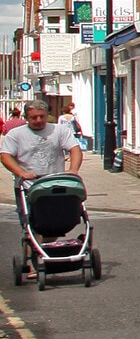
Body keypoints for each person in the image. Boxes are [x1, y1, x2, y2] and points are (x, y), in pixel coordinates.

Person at [3, 100, 83, 276]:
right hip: (29, 186)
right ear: (26, 117)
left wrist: (73, 170)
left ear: (47, 115)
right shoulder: (16, 135)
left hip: (56, 184)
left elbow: (75, 149)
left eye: (42, 116)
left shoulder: (60, 130)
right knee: (32, 224)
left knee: (53, 223)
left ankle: (45, 253)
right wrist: (21, 172)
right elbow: (5, 155)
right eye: (33, 117)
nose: (38, 120)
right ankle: (34, 264)